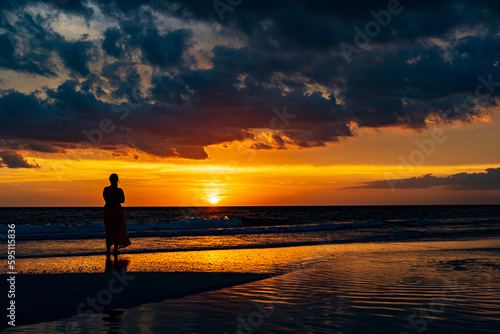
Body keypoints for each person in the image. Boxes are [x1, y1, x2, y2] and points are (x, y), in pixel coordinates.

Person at [103, 173, 131, 254]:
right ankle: (113, 249)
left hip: (111, 211)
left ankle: (110, 249)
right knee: (114, 230)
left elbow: (108, 199)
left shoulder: (109, 189)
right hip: (113, 211)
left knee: (111, 231)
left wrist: (113, 201)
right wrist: (115, 201)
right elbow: (121, 200)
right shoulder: (111, 190)